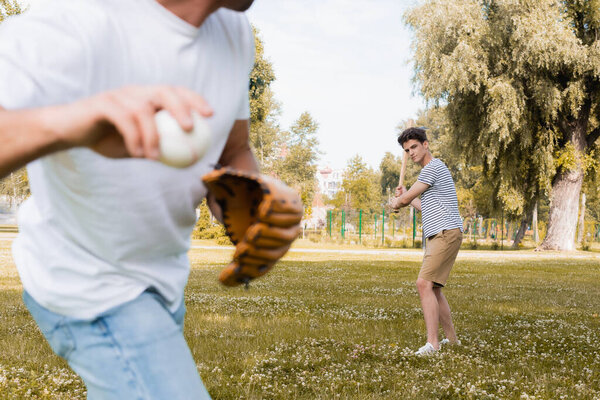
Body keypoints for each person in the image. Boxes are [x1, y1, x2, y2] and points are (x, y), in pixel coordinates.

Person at [0, 0, 259, 398]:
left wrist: (252, 214)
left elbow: (233, 152)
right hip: (86, 282)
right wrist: (76, 121)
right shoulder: (80, 19)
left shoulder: (234, 32)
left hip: (163, 283)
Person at [391, 127, 463, 355]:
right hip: (441, 232)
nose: (411, 152)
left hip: (445, 232)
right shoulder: (431, 173)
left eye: (414, 147)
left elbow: (407, 198)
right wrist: (406, 198)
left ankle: (433, 343)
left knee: (423, 284)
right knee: (434, 289)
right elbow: (424, 206)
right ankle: (452, 341)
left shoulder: (433, 167)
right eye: (407, 150)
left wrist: (398, 201)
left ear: (425, 144)